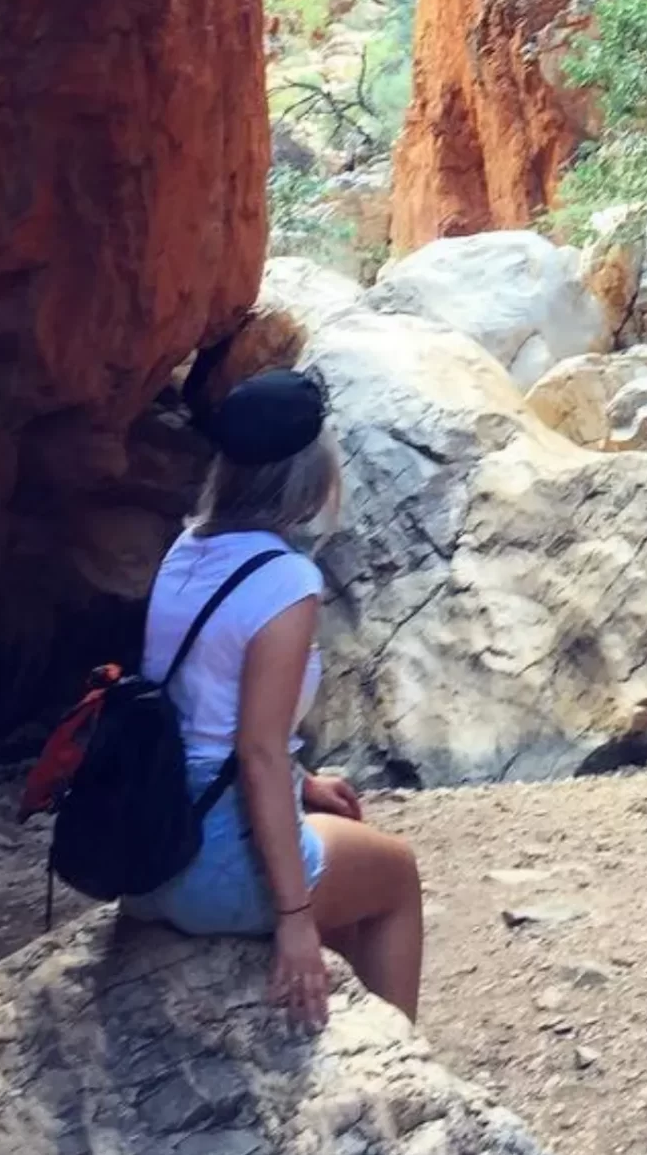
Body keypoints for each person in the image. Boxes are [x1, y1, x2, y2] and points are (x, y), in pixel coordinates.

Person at [123, 366, 423, 1029]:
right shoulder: (285, 579)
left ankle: (347, 1032)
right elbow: (256, 753)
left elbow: (203, 708)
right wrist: (292, 917)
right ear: (309, 476)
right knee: (396, 876)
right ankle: (398, 1057)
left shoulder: (186, 547)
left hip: (151, 851)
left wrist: (304, 781)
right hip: (214, 862)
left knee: (350, 857)